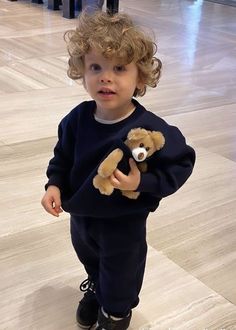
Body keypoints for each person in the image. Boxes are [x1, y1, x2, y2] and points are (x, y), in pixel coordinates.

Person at [41, 11, 195, 330]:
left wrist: (144, 180)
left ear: (140, 77)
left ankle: (115, 313)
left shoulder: (150, 130)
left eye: (119, 69)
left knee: (121, 273)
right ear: (82, 71)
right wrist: (54, 184)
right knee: (91, 259)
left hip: (123, 223)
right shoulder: (76, 119)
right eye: (95, 67)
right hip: (82, 215)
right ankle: (96, 288)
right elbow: (63, 157)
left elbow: (182, 162)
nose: (105, 77)